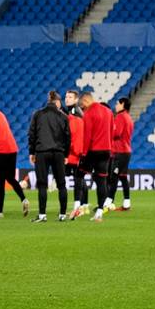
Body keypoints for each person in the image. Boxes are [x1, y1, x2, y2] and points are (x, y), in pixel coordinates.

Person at [28, 91, 71, 223]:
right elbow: (68, 137)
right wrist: (66, 154)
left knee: (42, 185)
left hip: (42, 152)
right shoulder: (63, 117)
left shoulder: (38, 114)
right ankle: (63, 215)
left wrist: (32, 152)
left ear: (48, 100)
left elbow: (32, 134)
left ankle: (42, 215)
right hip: (58, 152)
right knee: (62, 184)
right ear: (57, 102)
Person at [79, 91, 113, 223]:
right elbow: (111, 130)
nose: (83, 108)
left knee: (79, 175)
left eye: (83, 105)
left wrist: (83, 153)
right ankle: (99, 211)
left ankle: (80, 205)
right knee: (101, 181)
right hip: (106, 150)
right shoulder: (108, 111)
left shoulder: (88, 113)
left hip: (93, 150)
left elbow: (87, 136)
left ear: (86, 100)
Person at [64, 90, 89, 219]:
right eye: (66, 97)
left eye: (70, 97)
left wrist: (75, 151)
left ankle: (79, 206)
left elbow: (76, 135)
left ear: (76, 100)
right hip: (80, 151)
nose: (67, 99)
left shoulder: (74, 113)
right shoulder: (74, 111)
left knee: (78, 179)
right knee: (80, 179)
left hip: (76, 152)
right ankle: (84, 205)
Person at [112, 97, 134, 212]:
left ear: (123, 104)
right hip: (126, 151)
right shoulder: (128, 117)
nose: (115, 105)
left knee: (113, 177)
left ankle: (108, 202)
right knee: (123, 177)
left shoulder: (120, 117)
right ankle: (126, 203)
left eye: (117, 103)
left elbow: (116, 133)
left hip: (120, 151)